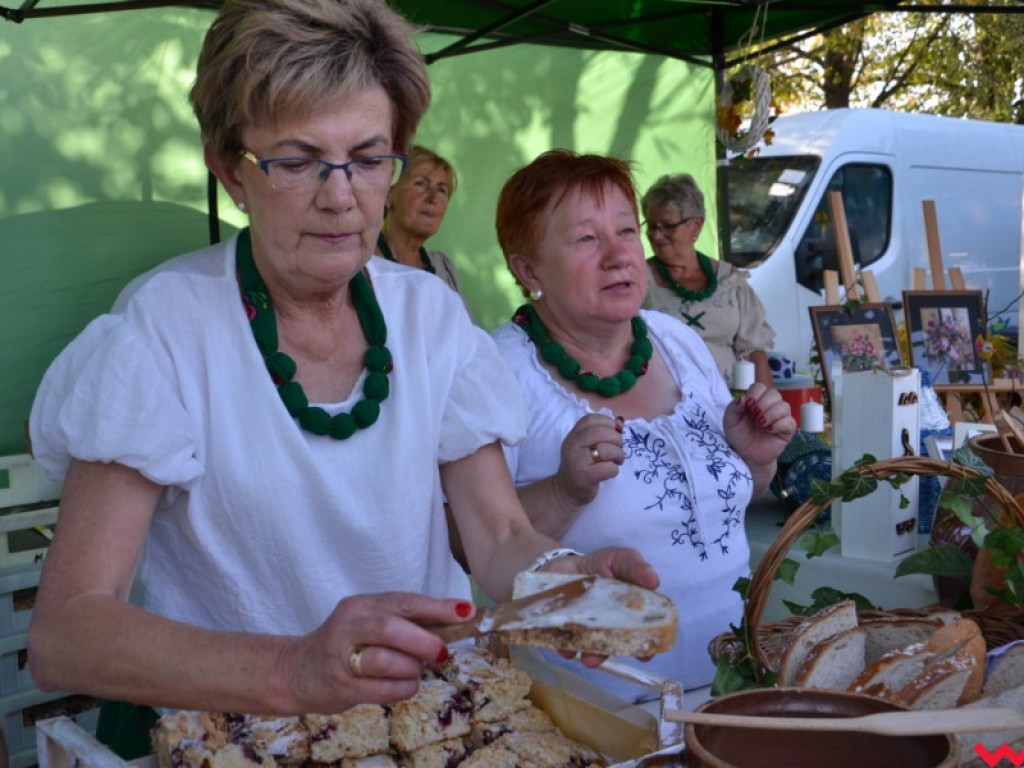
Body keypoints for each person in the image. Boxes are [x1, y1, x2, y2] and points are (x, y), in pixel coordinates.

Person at [24, 2, 658, 759]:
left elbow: (498, 539)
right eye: (296, 161)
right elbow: (67, 633)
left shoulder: (428, 317)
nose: (340, 195)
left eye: (367, 158)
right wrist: (291, 670)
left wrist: (563, 580)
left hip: (418, 725)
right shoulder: (163, 329)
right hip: (233, 736)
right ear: (230, 170)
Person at [490, 150, 795, 701]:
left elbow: (729, 504)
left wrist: (756, 459)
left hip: (731, 680)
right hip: (594, 704)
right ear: (527, 269)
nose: (618, 256)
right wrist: (563, 491)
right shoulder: (499, 370)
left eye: (626, 230)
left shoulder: (676, 341)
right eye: (586, 238)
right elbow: (474, 545)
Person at [641, 173, 776, 389]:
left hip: (731, 401)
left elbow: (754, 353)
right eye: (652, 226)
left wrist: (764, 404)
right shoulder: (638, 280)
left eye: (667, 225)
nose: (656, 235)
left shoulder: (729, 280)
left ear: (696, 225)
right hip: (665, 402)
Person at [377, 145, 464, 295]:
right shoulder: (361, 262)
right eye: (421, 184)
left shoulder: (443, 268)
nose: (433, 198)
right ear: (388, 194)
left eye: (442, 190)